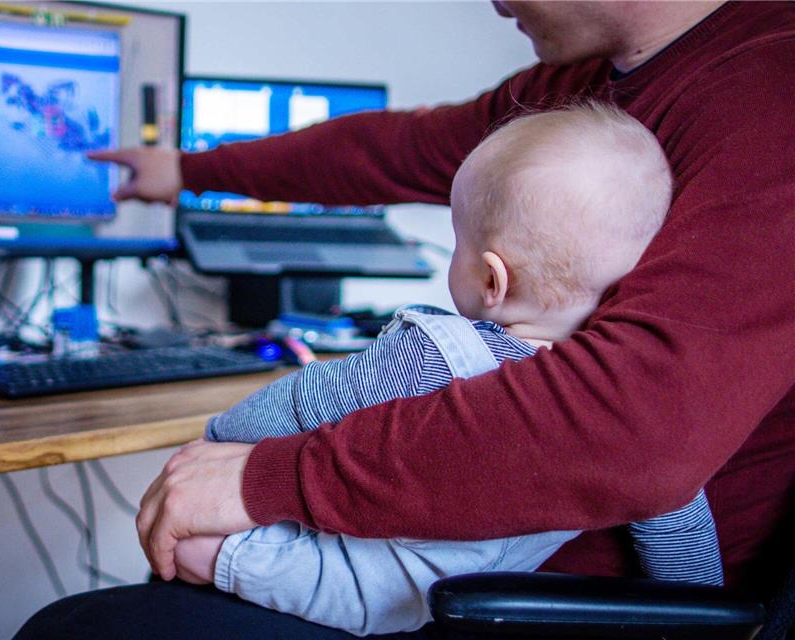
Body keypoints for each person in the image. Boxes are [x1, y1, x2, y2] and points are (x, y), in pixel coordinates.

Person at [17, 2, 794, 637]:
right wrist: (187, 172)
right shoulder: (587, 86)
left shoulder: (769, 93)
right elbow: (390, 151)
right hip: (464, 559)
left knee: (81, 630)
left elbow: (637, 433)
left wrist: (259, 474)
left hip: (536, 603)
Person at [170, 104, 722, 636]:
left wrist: (221, 439)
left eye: (459, 241)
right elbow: (683, 542)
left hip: (358, 580)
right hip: (476, 601)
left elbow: (305, 401)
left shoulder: (438, 355)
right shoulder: (631, 413)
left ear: (491, 282)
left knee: (190, 544)